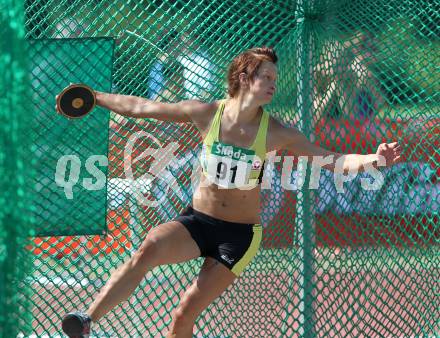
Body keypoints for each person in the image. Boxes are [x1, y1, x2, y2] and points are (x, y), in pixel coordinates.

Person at [58, 47, 402, 338]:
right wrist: (96, 97)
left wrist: (375, 158)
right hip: (196, 221)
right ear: (243, 78)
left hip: (237, 237)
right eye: (264, 77)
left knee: (182, 315)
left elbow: (333, 161)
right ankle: (87, 320)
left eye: (273, 78)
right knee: (146, 249)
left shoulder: (278, 132)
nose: (271, 84)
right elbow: (142, 107)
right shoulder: (207, 113)